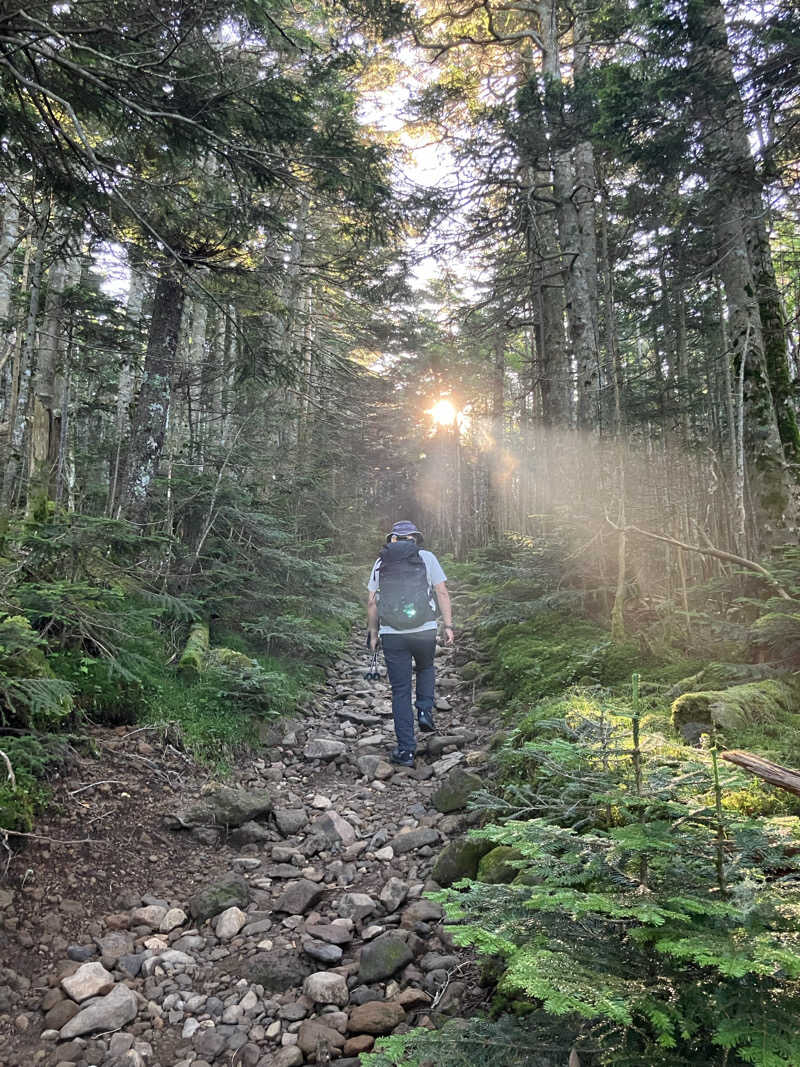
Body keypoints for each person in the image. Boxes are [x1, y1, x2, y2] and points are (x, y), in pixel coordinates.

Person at [367, 520, 454, 767]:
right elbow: (442, 592)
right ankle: (425, 709)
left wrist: (373, 634)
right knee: (426, 667)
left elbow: (372, 602)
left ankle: (406, 750)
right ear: (415, 538)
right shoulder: (427, 557)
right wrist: (448, 626)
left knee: (400, 691)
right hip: (424, 628)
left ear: (393, 539)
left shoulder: (380, 562)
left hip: (392, 633)